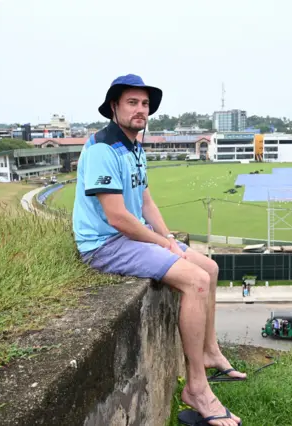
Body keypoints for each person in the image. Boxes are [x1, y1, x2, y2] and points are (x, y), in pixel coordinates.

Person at [72, 74, 243, 426]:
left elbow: (145, 200)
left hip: (133, 237)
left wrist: (168, 238)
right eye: (132, 103)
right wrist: (164, 244)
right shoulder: (103, 149)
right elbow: (118, 217)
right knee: (195, 280)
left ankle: (210, 353)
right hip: (105, 245)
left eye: (145, 104)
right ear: (115, 107)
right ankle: (196, 386)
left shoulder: (134, 147)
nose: (140, 110)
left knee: (209, 268)